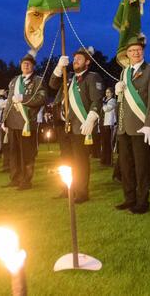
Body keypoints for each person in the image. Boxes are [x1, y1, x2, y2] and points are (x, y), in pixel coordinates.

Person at [114, 35, 150, 214]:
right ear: (127, 53)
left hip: (141, 127)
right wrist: (118, 92)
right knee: (126, 166)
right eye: (132, 50)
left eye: (138, 50)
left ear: (143, 52)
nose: (135, 53)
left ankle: (143, 202)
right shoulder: (124, 73)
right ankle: (129, 198)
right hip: (124, 127)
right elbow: (124, 102)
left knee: (142, 167)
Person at [50, 47, 103, 203]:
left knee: (80, 161)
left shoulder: (92, 77)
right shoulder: (69, 77)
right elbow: (52, 84)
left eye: (79, 59)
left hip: (81, 125)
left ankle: (81, 193)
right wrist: (59, 67)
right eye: (74, 59)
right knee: (66, 160)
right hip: (65, 125)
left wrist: (91, 117)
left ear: (87, 62)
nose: (75, 61)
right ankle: (67, 188)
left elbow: (96, 100)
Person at [2, 53, 47, 190]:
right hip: (12, 120)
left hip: (27, 121)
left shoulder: (38, 80)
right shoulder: (15, 80)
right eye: (23, 63)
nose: (25, 65)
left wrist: (24, 97)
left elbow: (41, 98)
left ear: (33, 66)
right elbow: (9, 101)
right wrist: (4, 119)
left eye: (28, 63)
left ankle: (26, 181)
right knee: (13, 152)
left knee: (26, 153)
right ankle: (15, 178)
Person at [100, 87, 116, 167]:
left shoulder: (112, 101)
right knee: (104, 143)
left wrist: (103, 103)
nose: (107, 94)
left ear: (112, 93)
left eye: (109, 92)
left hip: (109, 124)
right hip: (104, 123)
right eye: (106, 92)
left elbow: (106, 109)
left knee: (109, 143)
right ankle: (104, 160)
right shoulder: (106, 101)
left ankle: (109, 161)